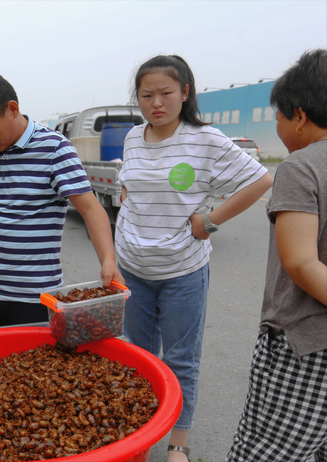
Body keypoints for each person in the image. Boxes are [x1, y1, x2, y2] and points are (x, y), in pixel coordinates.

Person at [115, 55, 274, 462]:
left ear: (185, 93)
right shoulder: (134, 137)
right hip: (132, 268)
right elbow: (128, 186)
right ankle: (142, 435)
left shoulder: (205, 140)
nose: (156, 103)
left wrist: (210, 221)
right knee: (138, 355)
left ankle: (177, 443)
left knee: (181, 359)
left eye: (166, 93)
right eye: (146, 94)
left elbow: (261, 179)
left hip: (182, 271)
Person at [0, 69, 124, 331]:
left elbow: (90, 208)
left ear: (12, 109)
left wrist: (108, 260)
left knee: (30, 370)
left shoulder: (55, 148)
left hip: (33, 297)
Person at [226, 49, 327, 462]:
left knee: (267, 451)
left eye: (278, 117)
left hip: (304, 343)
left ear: (299, 116)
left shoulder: (301, 166)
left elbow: (302, 263)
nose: (278, 126)